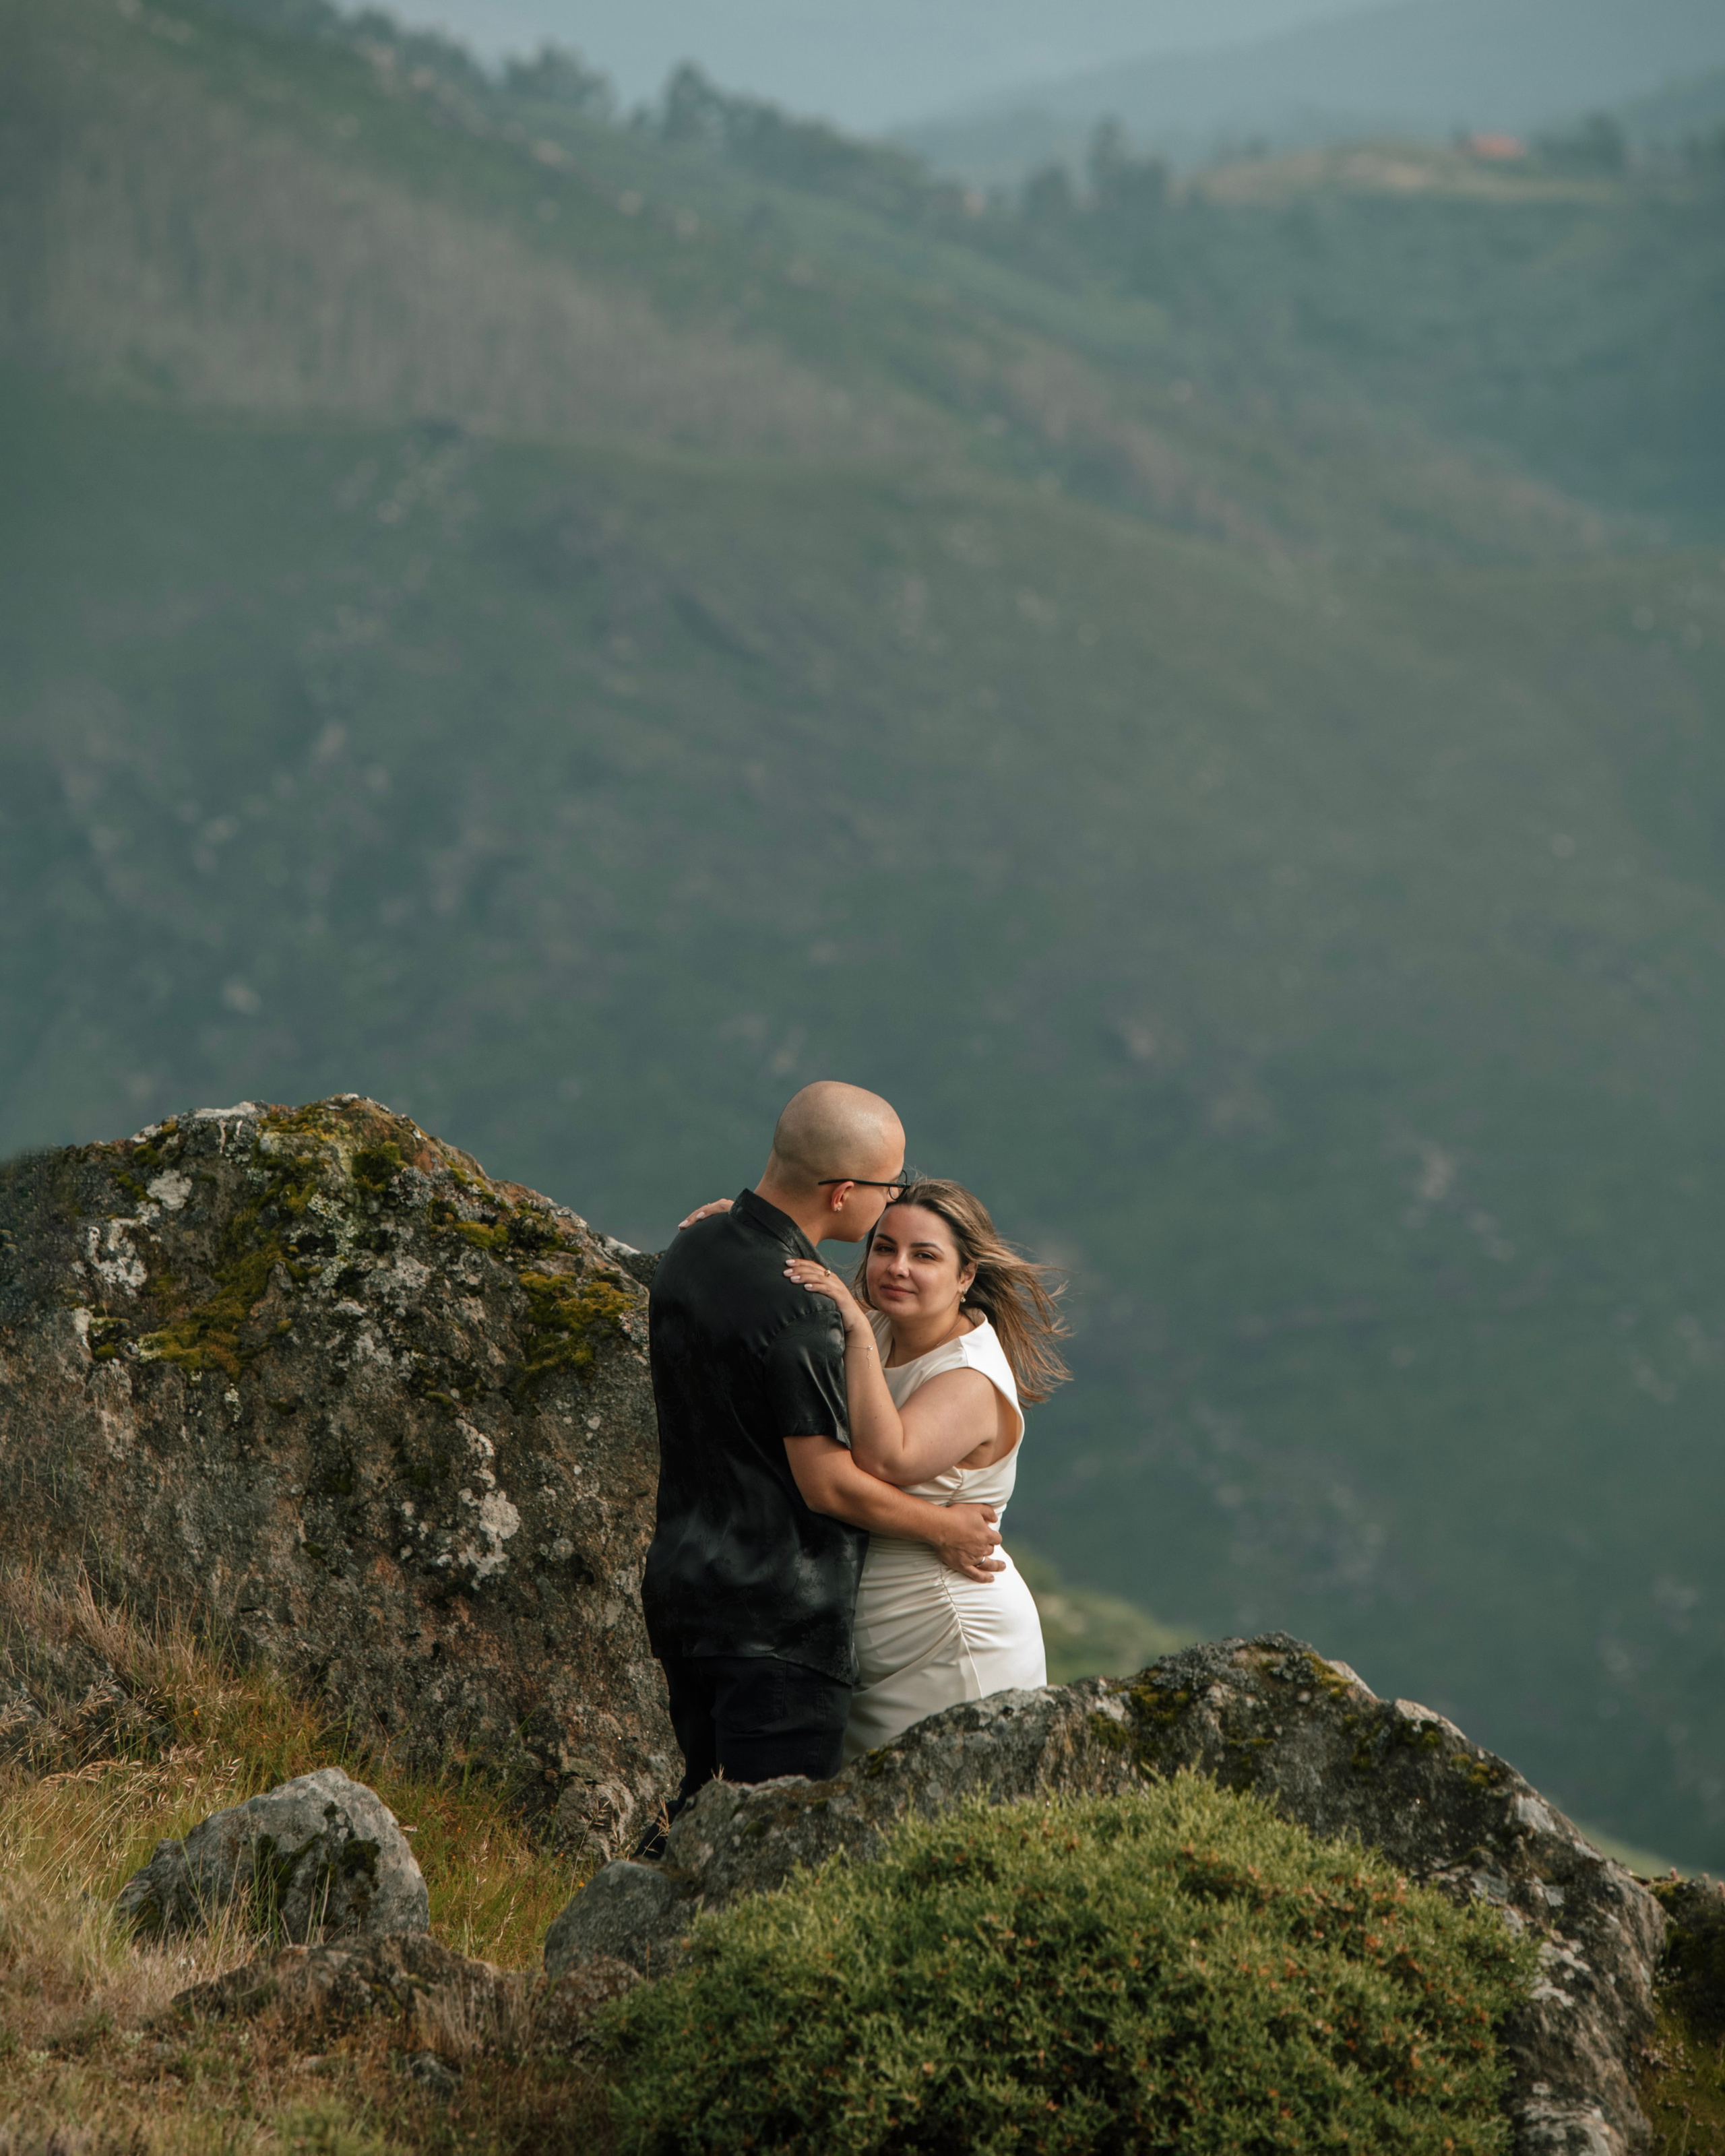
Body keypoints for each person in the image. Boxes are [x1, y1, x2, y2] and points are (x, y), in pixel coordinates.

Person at [639, 1083, 1005, 1849]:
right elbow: (828, 1480)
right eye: (889, 1187)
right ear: (845, 1193)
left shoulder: (695, 1246)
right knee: (763, 1854)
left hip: (686, 1593)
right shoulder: (804, 1305)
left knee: (699, 1819)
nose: (894, 1200)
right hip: (778, 1616)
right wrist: (945, 1528)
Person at [784, 1178, 1069, 1759]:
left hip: (954, 1633)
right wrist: (751, 1234)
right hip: (880, 1634)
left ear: (966, 1276)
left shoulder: (970, 1377)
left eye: (925, 1256)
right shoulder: (887, 1325)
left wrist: (858, 1327)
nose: (896, 1268)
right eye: (884, 1248)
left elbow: (887, 1459)